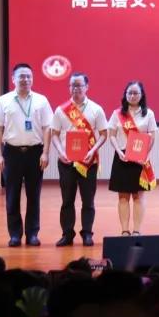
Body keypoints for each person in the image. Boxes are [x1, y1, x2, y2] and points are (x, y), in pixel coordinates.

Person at [0, 62, 53, 247]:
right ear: (13, 79)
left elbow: (47, 128)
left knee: (34, 196)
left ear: (32, 79)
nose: (25, 79)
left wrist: (46, 153)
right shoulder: (3, 101)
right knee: (12, 195)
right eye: (21, 76)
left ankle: (32, 234)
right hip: (11, 153)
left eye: (28, 76)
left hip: (35, 153)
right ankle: (15, 234)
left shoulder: (41, 100)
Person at [49, 73, 108, 247]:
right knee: (67, 200)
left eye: (79, 85)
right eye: (72, 85)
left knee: (88, 201)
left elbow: (103, 134)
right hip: (66, 161)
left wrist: (93, 150)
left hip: (88, 162)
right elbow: (54, 134)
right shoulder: (61, 110)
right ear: (69, 88)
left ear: (86, 87)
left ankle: (87, 233)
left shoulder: (96, 109)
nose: (76, 88)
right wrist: (60, 152)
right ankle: (67, 234)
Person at [106, 81, 157, 236]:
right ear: (125, 95)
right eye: (130, 93)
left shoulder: (148, 114)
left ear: (141, 95)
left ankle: (136, 230)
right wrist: (118, 151)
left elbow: (152, 136)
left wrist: (145, 154)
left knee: (138, 196)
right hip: (122, 157)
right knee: (123, 197)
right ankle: (124, 230)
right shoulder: (117, 114)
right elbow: (112, 135)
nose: (133, 96)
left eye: (136, 93)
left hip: (140, 158)